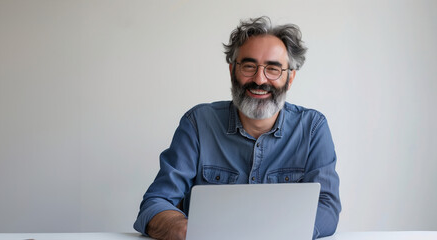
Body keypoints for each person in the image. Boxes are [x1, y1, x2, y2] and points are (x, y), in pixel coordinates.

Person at [133, 16, 341, 240]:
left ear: (289, 78)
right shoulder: (197, 123)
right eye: (249, 66)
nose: (260, 79)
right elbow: (155, 203)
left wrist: (265, 234)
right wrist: (186, 230)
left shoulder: (313, 128)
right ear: (232, 70)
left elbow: (327, 209)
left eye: (273, 69)